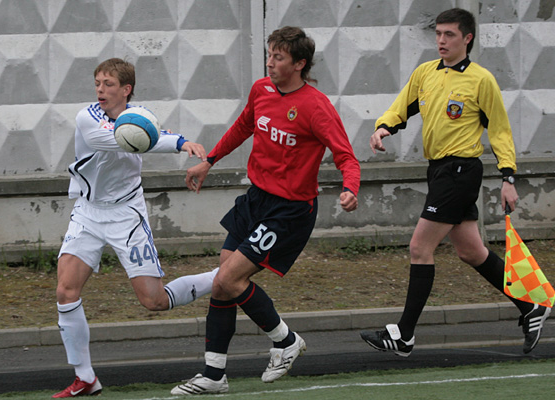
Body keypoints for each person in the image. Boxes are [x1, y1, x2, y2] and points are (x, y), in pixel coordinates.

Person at [170, 26, 360, 396]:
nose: (270, 63)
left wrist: (350, 188)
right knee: (222, 282)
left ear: (299, 64)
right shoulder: (261, 90)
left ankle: (286, 341)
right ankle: (214, 375)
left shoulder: (315, 106)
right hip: (256, 199)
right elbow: (243, 126)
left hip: (289, 210)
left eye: (278, 57)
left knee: (228, 279)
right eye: (269, 54)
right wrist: (209, 160)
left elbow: (346, 156)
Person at [360, 8, 550, 357]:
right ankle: (531, 306)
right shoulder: (425, 73)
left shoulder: (481, 80)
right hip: (438, 171)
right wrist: (383, 127)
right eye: (438, 34)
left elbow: (501, 131)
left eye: (449, 34)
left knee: (420, 247)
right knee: (471, 251)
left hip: (461, 171)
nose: (441, 40)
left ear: (467, 38)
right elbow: (402, 107)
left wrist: (508, 177)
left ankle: (404, 335)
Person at [52, 58, 219, 398]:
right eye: (97, 83)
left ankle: (223, 276)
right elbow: (128, 139)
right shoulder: (87, 118)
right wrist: (173, 141)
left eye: (108, 84)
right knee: (65, 291)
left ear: (126, 89)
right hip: (88, 212)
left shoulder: (139, 118)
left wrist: (182, 142)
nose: (100, 90)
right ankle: (85, 378)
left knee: (154, 301)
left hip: (126, 215)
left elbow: (144, 134)